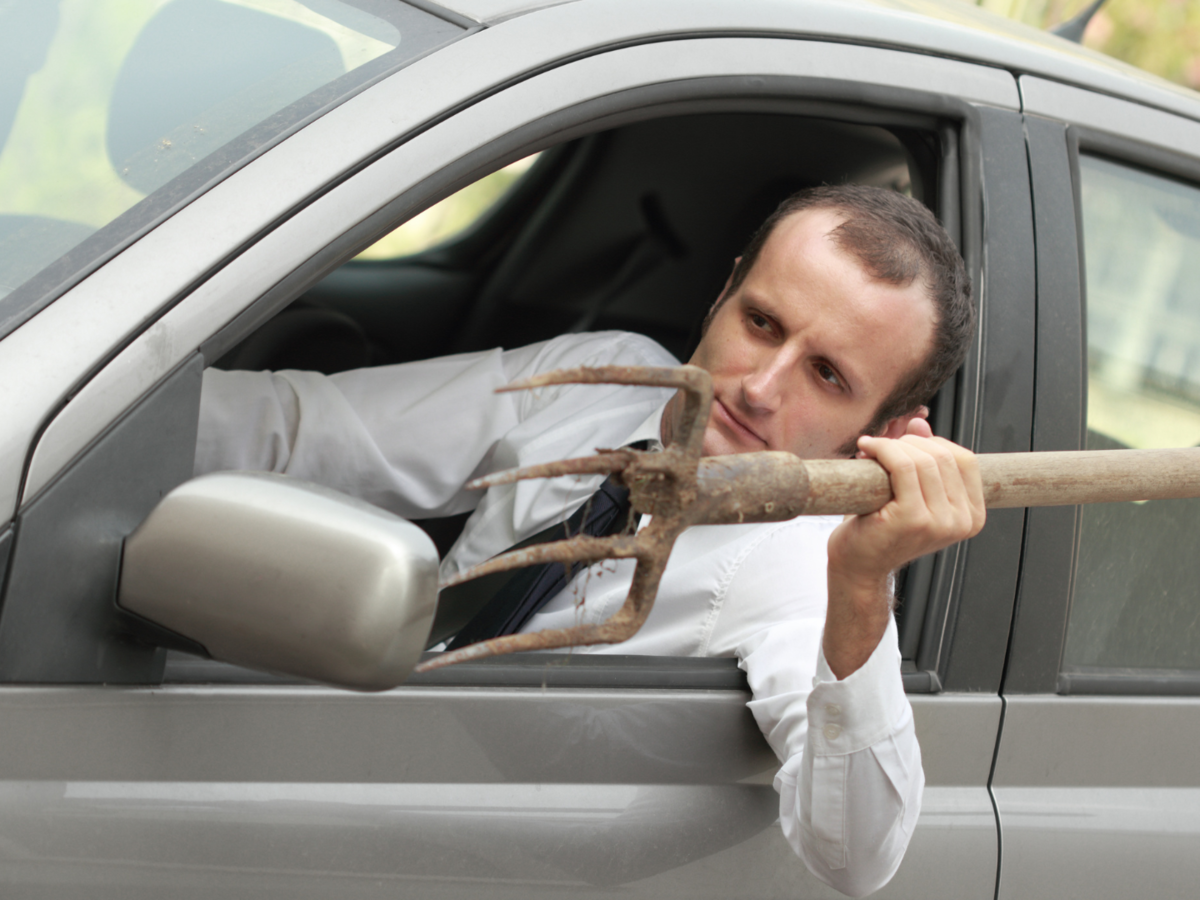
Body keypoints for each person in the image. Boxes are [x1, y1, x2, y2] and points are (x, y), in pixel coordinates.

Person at [195, 184, 984, 898]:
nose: (762, 387)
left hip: (474, 867)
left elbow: (856, 858)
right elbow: (303, 431)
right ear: (725, 290)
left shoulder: (797, 571)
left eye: (828, 375)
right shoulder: (602, 375)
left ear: (878, 434)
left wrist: (860, 580)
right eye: (762, 322)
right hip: (323, 771)